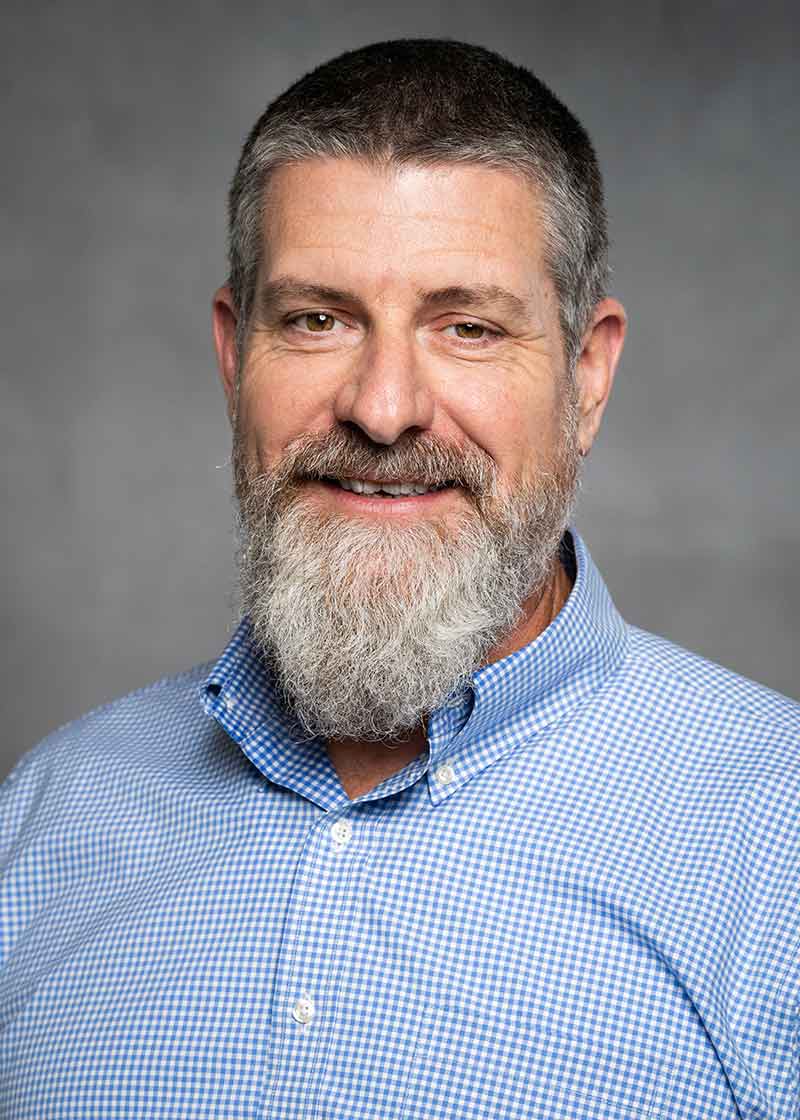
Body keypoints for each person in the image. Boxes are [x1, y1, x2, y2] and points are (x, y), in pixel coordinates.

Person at [1, 38, 797, 1120]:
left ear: (586, 374)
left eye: (465, 327)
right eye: (316, 320)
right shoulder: (42, 823)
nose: (381, 410)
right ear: (235, 356)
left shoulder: (775, 840)